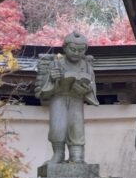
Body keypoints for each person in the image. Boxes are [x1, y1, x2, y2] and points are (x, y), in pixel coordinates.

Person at [35, 32, 99, 165]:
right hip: (58, 97)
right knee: (58, 127)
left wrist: (86, 89)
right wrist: (52, 78)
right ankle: (58, 155)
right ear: (64, 48)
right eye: (73, 49)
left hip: (76, 99)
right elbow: (43, 89)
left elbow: (92, 86)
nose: (76, 53)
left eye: (81, 50)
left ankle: (77, 157)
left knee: (76, 127)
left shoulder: (86, 65)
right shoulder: (56, 63)